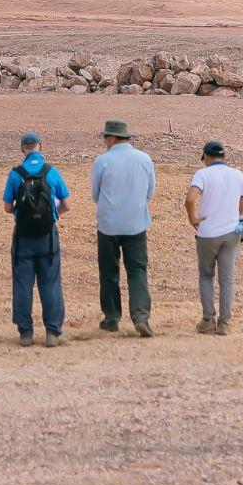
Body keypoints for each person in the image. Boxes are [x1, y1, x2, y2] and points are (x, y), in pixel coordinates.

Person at [3, 131, 71, 347]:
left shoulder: (16, 174)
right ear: (40, 147)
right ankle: (52, 332)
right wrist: (52, 216)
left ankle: (25, 333)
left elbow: (7, 207)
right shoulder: (51, 172)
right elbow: (66, 204)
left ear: (22, 148)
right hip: (47, 235)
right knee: (50, 282)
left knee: (22, 284)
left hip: (23, 236)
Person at [89, 118, 156, 336]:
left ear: (111, 137)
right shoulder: (144, 159)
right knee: (137, 270)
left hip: (108, 225)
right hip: (136, 223)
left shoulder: (102, 161)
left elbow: (95, 195)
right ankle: (140, 316)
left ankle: (111, 317)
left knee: (109, 271)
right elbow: (150, 193)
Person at [184, 140, 243, 335]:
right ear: (224, 157)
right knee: (227, 278)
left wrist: (193, 218)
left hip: (207, 233)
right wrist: (236, 222)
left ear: (206, 156)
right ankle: (225, 322)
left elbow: (190, 199)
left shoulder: (202, 174)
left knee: (206, 275)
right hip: (231, 232)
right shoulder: (237, 174)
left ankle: (208, 318)